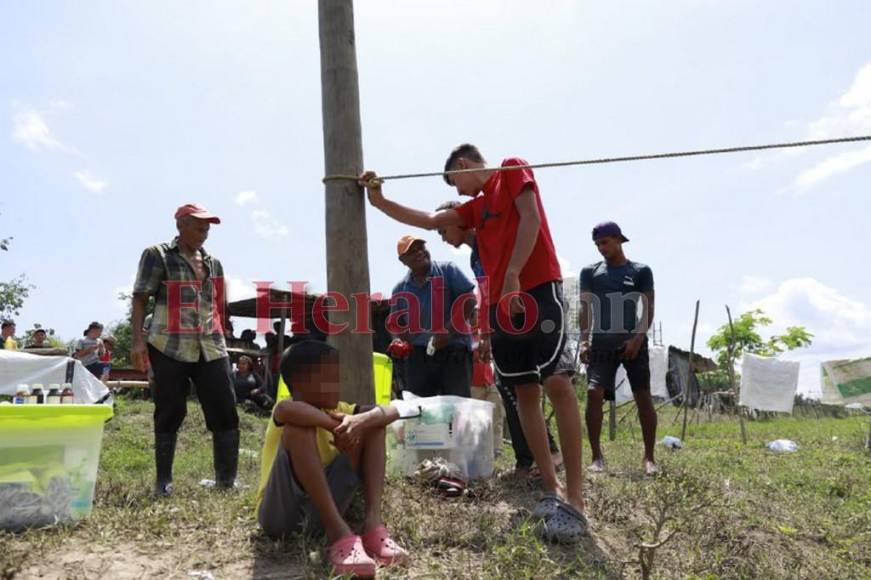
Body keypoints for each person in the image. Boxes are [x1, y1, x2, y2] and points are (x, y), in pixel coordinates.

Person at [361, 144, 587, 542]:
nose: (459, 191)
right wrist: (378, 201)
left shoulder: (512, 170)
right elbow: (430, 219)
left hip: (535, 290)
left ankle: (577, 501)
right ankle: (551, 490)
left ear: (464, 166)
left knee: (557, 384)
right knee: (524, 393)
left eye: (454, 181)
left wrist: (515, 275)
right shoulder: (475, 209)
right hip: (501, 305)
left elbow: (531, 219)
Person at [436, 200, 568, 479]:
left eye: (443, 229)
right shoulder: (475, 256)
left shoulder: (489, 242)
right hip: (500, 319)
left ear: (458, 220)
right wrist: (484, 332)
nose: (443, 237)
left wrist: (488, 332)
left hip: (526, 311)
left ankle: (551, 453)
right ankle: (526, 459)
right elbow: (486, 294)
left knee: (529, 385)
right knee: (510, 388)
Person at [257, 340, 409, 577]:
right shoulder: (286, 407)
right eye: (330, 378)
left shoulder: (342, 409)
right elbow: (288, 412)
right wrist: (335, 426)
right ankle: (339, 532)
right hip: (280, 517)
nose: (339, 384)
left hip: (319, 514)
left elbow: (391, 411)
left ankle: (372, 526)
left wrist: (359, 422)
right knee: (299, 428)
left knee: (373, 423)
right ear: (300, 383)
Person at [131, 203, 240, 496]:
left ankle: (226, 481)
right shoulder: (158, 255)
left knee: (225, 409)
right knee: (170, 410)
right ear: (180, 225)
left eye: (207, 228)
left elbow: (218, 303)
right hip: (169, 345)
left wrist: (222, 326)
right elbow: (141, 297)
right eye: (198, 226)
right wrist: (138, 341)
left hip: (211, 345)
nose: (204, 233)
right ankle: (163, 482)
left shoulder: (214, 263)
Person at [579, 221, 658, 476]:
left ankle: (649, 457)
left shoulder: (640, 270)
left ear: (618, 240)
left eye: (605, 242)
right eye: (597, 245)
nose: (601, 248)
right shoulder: (590, 272)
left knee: (642, 396)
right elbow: (585, 308)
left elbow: (648, 308)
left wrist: (638, 339)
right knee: (593, 393)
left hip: (633, 342)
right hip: (601, 344)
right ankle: (596, 457)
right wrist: (583, 340)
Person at [389, 235, 476, 398]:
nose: (419, 253)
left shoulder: (448, 270)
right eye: (412, 251)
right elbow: (396, 325)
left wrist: (447, 332)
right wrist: (397, 340)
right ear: (403, 260)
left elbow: (469, 300)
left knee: (458, 407)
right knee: (422, 409)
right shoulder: (400, 289)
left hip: (454, 351)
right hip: (419, 358)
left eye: (421, 248)